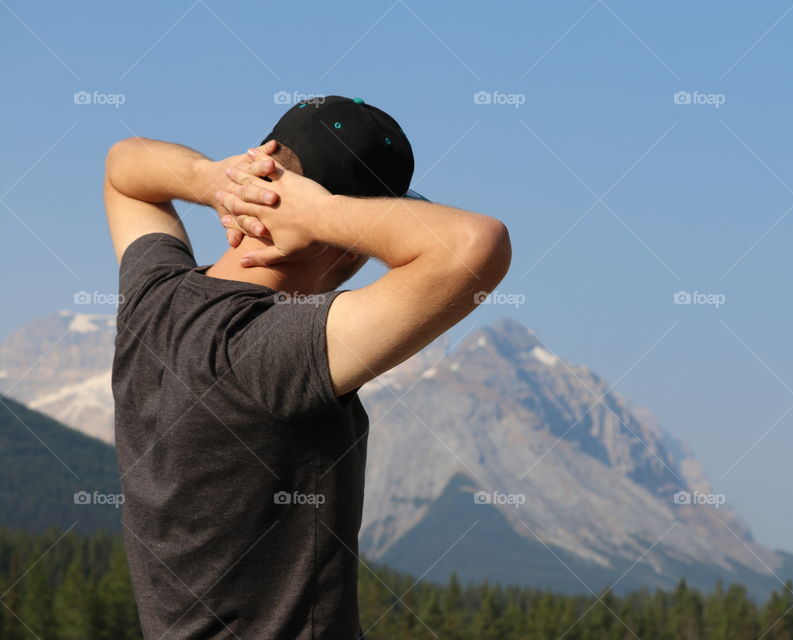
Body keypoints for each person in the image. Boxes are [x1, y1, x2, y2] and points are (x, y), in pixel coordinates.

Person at [104, 95, 511, 639]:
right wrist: (320, 215)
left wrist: (214, 180)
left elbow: (124, 167)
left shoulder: (153, 301)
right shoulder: (270, 347)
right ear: (345, 243)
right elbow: (475, 244)